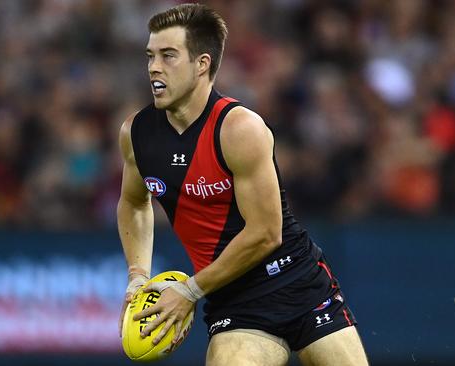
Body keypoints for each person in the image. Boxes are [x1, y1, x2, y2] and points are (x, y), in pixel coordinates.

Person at [117, 3, 368, 365]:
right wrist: (137, 276)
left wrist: (189, 290)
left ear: (202, 64)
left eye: (168, 56)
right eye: (150, 56)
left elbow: (266, 233)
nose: (154, 67)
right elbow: (133, 202)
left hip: (298, 283)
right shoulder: (136, 134)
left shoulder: (238, 129)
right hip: (235, 303)